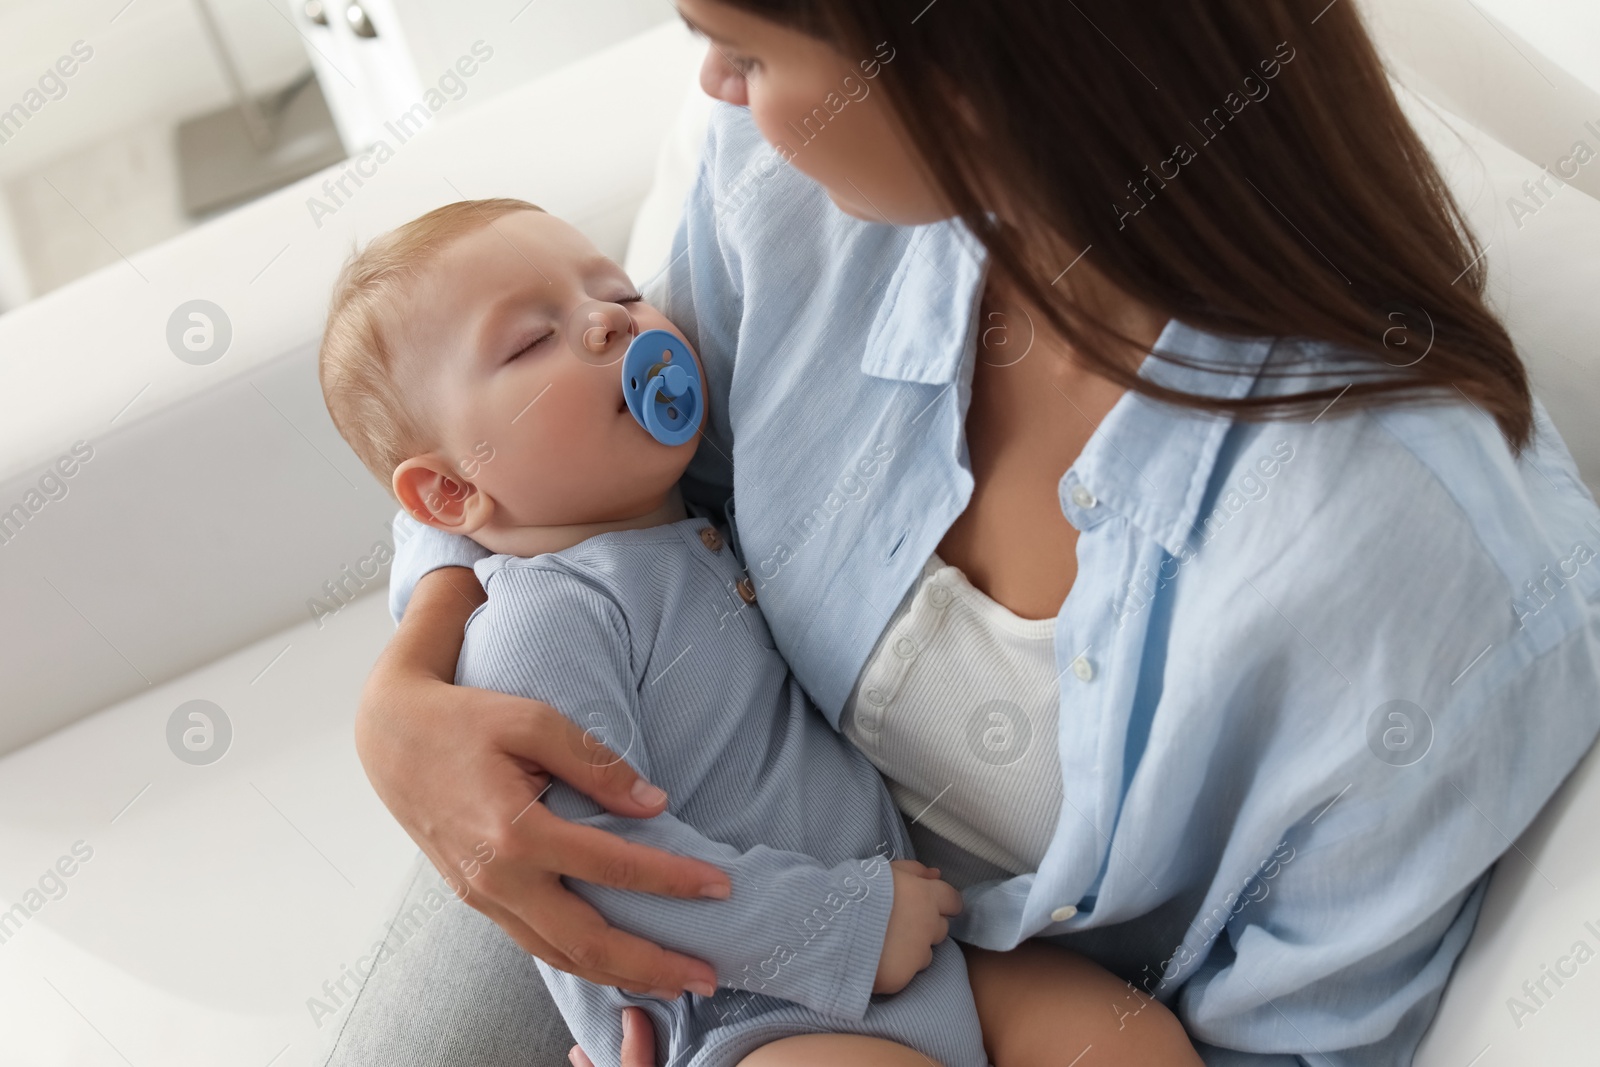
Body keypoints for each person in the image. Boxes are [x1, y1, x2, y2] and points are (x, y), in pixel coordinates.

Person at [325, 1, 1600, 1064]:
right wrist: (413, 678)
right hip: (646, 900)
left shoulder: (1407, 563)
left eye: (751, 50)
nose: (710, 82)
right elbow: (538, 477)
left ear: (966, 68)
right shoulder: (779, 174)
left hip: (930, 968)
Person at [315, 198, 1200, 1065]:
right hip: (746, 1018)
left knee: (1123, 1039)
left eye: (620, 294)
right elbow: (599, 868)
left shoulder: (695, 521)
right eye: (531, 340)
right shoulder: (539, 625)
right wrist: (841, 924)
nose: (609, 327)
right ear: (450, 494)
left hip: (918, 962)